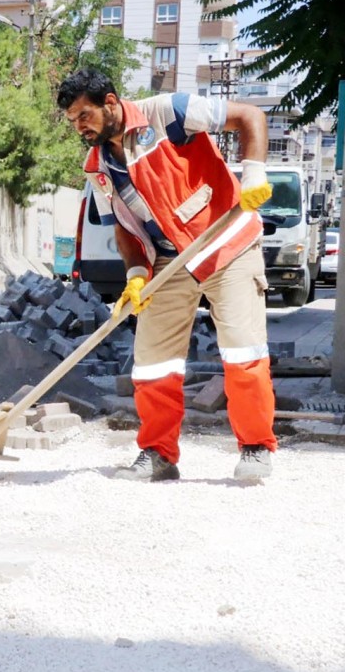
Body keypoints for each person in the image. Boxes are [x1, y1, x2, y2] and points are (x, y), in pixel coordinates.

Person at [55, 69, 277, 482]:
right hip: (167, 262)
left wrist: (254, 173)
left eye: (84, 115)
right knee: (152, 364)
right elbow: (124, 226)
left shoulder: (169, 113)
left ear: (110, 102)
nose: (79, 126)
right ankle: (158, 454)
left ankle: (254, 447)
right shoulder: (97, 167)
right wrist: (137, 274)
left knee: (242, 352)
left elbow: (249, 116)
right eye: (73, 121)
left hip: (226, 242)